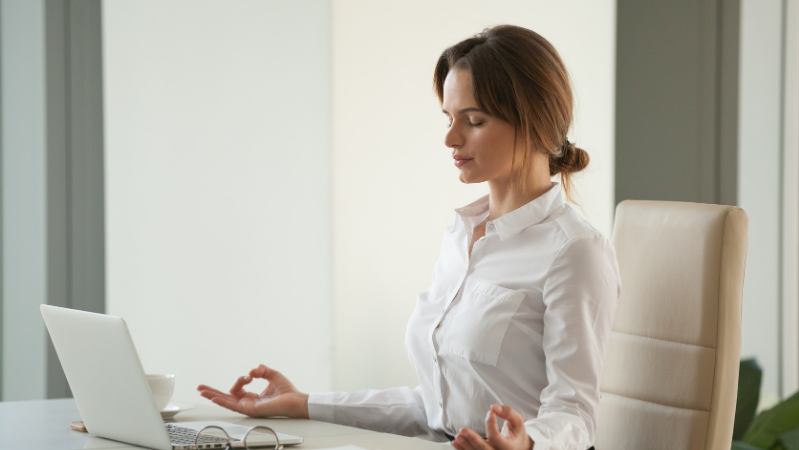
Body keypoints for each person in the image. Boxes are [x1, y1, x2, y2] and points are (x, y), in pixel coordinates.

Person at [198, 25, 621, 450]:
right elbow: (432, 410)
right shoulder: (460, 238)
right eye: (449, 119)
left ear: (533, 122)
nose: (451, 138)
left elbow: (574, 415)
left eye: (473, 121)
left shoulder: (575, 251)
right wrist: (304, 404)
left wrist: (525, 444)